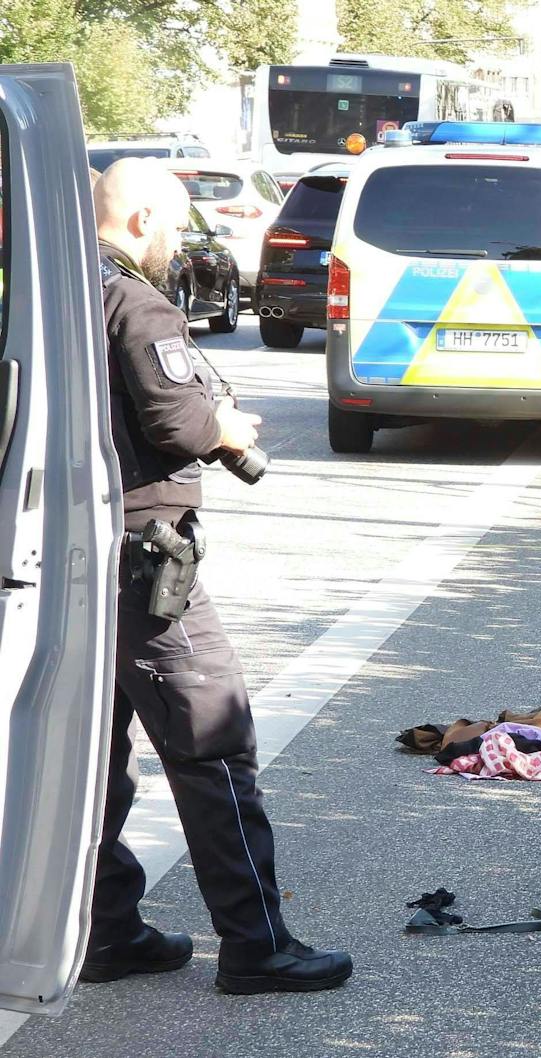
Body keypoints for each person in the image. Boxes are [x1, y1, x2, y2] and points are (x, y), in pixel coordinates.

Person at [84, 158, 353, 994]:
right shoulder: (135, 298)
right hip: (144, 561)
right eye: (170, 223)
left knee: (96, 760)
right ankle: (257, 944)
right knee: (215, 745)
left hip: (79, 556)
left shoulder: (63, 291)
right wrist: (225, 424)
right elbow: (175, 417)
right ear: (138, 221)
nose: (175, 242)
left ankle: (104, 929)